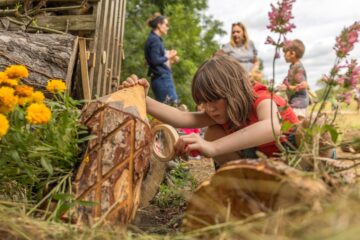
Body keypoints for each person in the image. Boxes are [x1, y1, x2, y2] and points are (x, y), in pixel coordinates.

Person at [120, 56, 299, 168]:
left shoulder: (262, 99)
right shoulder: (222, 111)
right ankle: (245, 186)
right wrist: (144, 99)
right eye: (204, 102)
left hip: (293, 156)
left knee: (213, 138)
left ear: (234, 92)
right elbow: (182, 117)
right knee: (213, 133)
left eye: (214, 99)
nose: (209, 108)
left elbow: (272, 128)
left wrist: (213, 147)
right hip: (261, 164)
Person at [144, 12, 179, 105]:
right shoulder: (155, 40)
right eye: (166, 24)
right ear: (159, 25)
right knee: (172, 106)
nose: (167, 27)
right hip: (162, 79)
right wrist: (168, 56)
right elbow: (155, 60)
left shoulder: (153, 39)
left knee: (167, 108)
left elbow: (152, 60)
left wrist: (168, 57)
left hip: (159, 78)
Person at [277, 39, 309, 120]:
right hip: (295, 102)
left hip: (299, 104)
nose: (283, 55)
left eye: (285, 53)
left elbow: (303, 85)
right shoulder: (292, 66)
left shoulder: (298, 68)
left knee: (296, 127)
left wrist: (287, 87)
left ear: (292, 54)